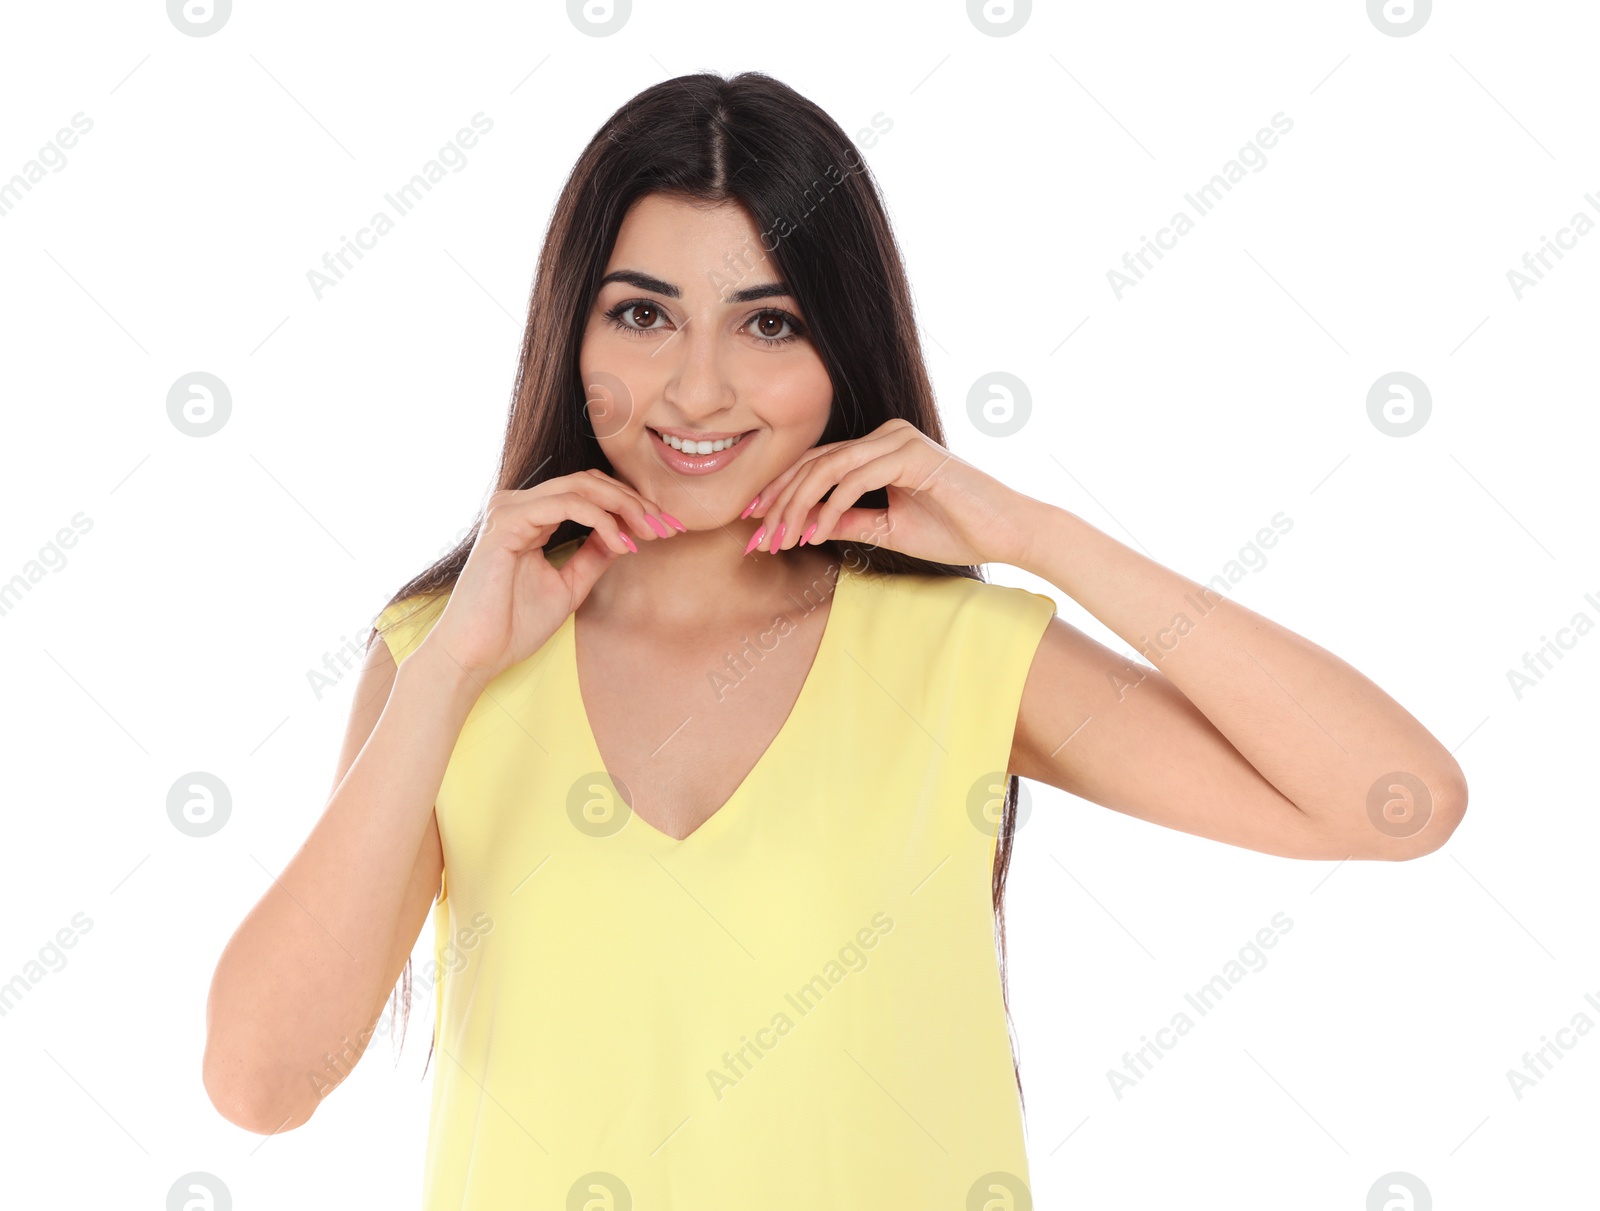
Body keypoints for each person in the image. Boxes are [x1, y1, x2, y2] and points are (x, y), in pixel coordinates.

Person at [202, 71, 1468, 1208]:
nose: (698, 390)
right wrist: (450, 673)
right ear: (570, 334)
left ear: (840, 349)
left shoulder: (954, 649)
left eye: (769, 323)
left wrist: (1037, 533)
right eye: (643, 316)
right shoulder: (443, 660)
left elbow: (1397, 803)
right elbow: (260, 1086)